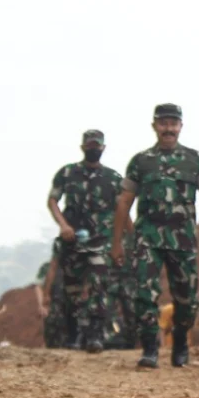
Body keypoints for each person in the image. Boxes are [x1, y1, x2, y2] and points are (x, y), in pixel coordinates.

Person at [112, 104, 199, 369]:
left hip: (182, 238)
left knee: (186, 297)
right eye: (163, 124)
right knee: (144, 294)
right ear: (154, 126)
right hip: (147, 237)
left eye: (173, 123)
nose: (168, 129)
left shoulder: (194, 159)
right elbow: (124, 203)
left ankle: (180, 341)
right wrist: (119, 241)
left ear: (180, 126)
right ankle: (150, 348)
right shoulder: (141, 161)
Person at [48, 129, 123, 353]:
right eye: (90, 146)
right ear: (83, 147)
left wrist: (125, 238)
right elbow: (52, 201)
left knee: (100, 286)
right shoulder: (67, 173)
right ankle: (73, 335)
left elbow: (122, 209)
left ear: (103, 148)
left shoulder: (113, 178)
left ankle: (95, 335)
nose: (94, 149)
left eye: (97, 146)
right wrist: (63, 226)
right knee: (72, 289)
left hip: (101, 240)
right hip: (73, 240)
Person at [35, 241, 65, 348]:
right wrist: (41, 305)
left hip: (72, 303)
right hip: (54, 303)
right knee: (52, 332)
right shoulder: (47, 267)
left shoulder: (75, 265)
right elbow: (39, 286)